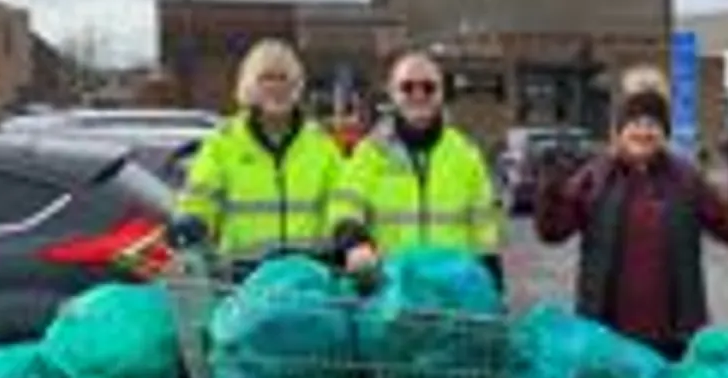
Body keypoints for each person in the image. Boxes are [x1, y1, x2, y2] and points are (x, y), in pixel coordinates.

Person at [534, 74, 728, 360]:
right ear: (620, 131)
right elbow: (552, 231)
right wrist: (550, 183)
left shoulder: (686, 179)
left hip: (672, 337)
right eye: (635, 123)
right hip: (605, 333)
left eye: (652, 124)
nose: (643, 132)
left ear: (664, 133)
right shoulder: (596, 176)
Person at [328, 49, 504, 285]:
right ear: (392, 93)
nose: (418, 95)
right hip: (390, 289)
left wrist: (492, 280)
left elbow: (485, 227)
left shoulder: (466, 154)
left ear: (441, 93)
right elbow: (345, 204)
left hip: (451, 291)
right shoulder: (371, 152)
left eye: (428, 87)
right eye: (407, 87)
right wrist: (354, 242)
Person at [173, 38, 343, 269]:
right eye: (266, 78)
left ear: (296, 86)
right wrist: (192, 223)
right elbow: (200, 199)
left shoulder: (321, 145)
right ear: (249, 85)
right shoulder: (223, 144)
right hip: (241, 274)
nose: (276, 87)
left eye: (284, 78)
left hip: (308, 274)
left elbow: (342, 203)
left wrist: (348, 239)